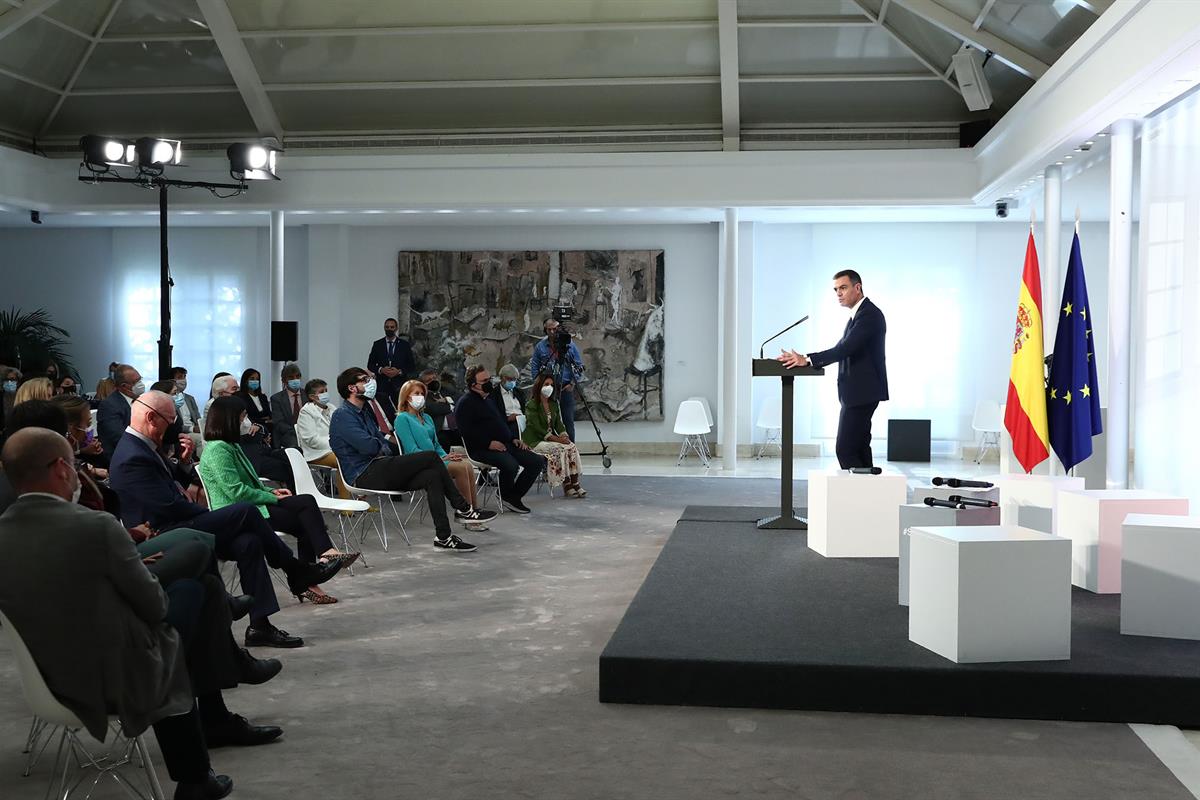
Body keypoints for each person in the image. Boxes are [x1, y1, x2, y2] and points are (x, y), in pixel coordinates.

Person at [0, 427, 235, 800]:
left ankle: (200, 767)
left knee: (196, 591)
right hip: (108, 679)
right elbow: (155, 607)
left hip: (44, 677)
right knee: (196, 593)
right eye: (76, 465)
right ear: (62, 468)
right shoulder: (95, 526)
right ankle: (197, 767)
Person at [107, 391, 342, 648]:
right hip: (162, 533)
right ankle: (295, 569)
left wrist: (184, 465)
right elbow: (169, 506)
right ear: (152, 417)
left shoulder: (146, 446)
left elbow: (172, 482)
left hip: (177, 523)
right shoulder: (133, 455)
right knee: (244, 511)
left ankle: (260, 625)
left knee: (249, 542)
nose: (174, 427)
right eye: (170, 420)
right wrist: (211, 516)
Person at [199, 396, 358, 604]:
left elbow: (250, 483)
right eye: (242, 417)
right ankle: (315, 567)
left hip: (254, 504)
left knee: (306, 507)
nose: (246, 422)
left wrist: (270, 492)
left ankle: (313, 572)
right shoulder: (218, 449)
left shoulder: (231, 446)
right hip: (240, 513)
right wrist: (270, 497)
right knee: (305, 513)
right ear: (229, 419)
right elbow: (235, 492)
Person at [329, 367, 494, 551]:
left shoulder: (366, 412)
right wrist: (378, 444)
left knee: (432, 475)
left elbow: (384, 444)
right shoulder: (342, 415)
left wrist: (378, 444)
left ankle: (444, 537)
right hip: (363, 473)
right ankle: (463, 508)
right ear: (352, 388)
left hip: (378, 466)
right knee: (431, 457)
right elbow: (371, 446)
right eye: (365, 380)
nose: (371, 383)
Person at [779, 269, 888, 469]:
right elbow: (844, 347)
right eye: (836, 289)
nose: (838, 293)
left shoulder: (869, 315)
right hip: (858, 393)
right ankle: (869, 495)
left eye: (843, 288)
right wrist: (807, 358)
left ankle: (858, 495)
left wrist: (808, 359)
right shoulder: (857, 316)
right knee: (859, 448)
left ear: (858, 287)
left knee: (845, 449)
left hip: (861, 394)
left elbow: (844, 349)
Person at [454, 365, 545, 514]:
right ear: (473, 385)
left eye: (489, 379)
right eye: (484, 381)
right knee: (511, 465)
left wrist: (513, 438)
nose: (489, 382)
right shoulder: (466, 403)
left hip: (504, 443)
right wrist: (489, 443)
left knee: (536, 461)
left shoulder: (488, 400)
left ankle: (511, 496)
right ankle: (507, 496)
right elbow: (466, 432)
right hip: (480, 448)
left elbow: (500, 422)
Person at [394, 379, 480, 512]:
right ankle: (466, 512)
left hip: (436, 460)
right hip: (418, 463)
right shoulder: (402, 419)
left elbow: (436, 445)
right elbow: (412, 450)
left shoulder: (427, 418)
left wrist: (447, 456)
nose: (420, 397)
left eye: (422, 394)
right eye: (416, 393)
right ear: (406, 397)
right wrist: (440, 459)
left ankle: (474, 510)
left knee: (467, 465)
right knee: (461, 468)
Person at [523, 373, 587, 497]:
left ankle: (575, 482)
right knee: (559, 449)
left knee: (571, 446)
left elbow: (559, 424)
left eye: (551, 385)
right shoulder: (531, 405)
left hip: (550, 439)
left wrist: (564, 435)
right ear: (539, 386)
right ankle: (566, 484)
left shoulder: (554, 404)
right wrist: (556, 439)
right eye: (546, 384)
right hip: (535, 440)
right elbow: (536, 428)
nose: (549, 387)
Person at [528, 317, 585, 442]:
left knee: (567, 420)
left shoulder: (569, 345)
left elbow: (579, 366)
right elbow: (535, 365)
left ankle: (571, 448)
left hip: (565, 387)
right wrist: (537, 381)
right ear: (545, 330)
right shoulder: (541, 347)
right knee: (545, 417)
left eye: (555, 329)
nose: (553, 332)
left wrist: (571, 384)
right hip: (547, 387)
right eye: (550, 329)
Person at [366, 317, 415, 417]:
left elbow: (411, 366)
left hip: (399, 385)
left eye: (392, 327)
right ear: (384, 328)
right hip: (382, 385)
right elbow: (370, 364)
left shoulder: (404, 345)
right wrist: (381, 370)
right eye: (387, 327)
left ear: (396, 328)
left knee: (401, 411)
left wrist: (399, 372)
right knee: (383, 412)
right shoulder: (377, 344)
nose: (389, 329)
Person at [98, 363, 144, 454]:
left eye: (140, 379)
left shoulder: (142, 400)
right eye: (136, 381)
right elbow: (119, 438)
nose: (141, 384)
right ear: (124, 386)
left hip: (140, 450)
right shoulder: (109, 405)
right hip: (121, 457)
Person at [419, 369, 461, 450]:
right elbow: (433, 409)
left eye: (434, 378)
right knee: (443, 443)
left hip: (457, 426)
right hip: (440, 430)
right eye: (429, 380)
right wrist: (451, 406)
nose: (433, 381)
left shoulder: (446, 388)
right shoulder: (423, 395)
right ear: (423, 384)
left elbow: (460, 398)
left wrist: (447, 399)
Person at [269, 363, 305, 451]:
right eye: (291, 377)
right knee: (295, 447)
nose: (295, 379)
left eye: (297, 376)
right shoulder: (276, 398)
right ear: (284, 380)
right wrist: (296, 431)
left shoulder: (307, 394)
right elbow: (279, 422)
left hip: (308, 432)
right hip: (288, 433)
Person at [491, 363, 526, 440]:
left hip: (522, 423)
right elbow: (494, 416)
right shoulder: (494, 394)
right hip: (506, 424)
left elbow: (525, 409)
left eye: (515, 379)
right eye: (510, 379)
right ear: (502, 378)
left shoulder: (519, 392)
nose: (513, 382)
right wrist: (508, 418)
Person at [236, 369, 272, 436]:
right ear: (245, 381)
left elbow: (269, 414)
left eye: (257, 379)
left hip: (267, 428)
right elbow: (247, 417)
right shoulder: (240, 397)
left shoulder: (263, 397)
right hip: (251, 430)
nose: (255, 381)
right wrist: (264, 420)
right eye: (252, 379)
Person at [171, 366, 203, 440]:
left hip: (195, 431)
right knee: (199, 439)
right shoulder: (168, 398)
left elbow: (198, 418)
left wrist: (201, 427)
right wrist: (192, 429)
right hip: (182, 432)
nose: (183, 380)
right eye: (179, 377)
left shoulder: (190, 398)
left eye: (184, 377)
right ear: (172, 380)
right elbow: (174, 425)